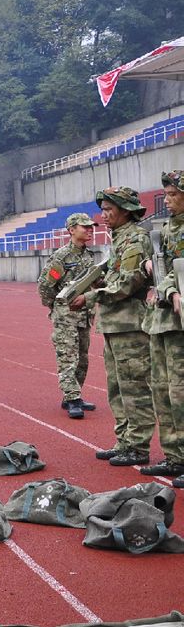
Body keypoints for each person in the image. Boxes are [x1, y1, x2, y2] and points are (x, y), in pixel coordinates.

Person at [70, 187, 154, 466]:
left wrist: (91, 296)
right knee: (117, 388)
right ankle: (125, 441)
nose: (103, 215)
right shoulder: (118, 239)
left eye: (109, 210)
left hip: (130, 325)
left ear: (126, 210)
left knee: (134, 388)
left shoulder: (135, 240)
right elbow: (114, 280)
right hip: (115, 324)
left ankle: (138, 447)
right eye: (103, 209)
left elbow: (129, 283)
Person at [141, 171, 184, 477]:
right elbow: (166, 269)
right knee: (162, 389)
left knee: (181, 392)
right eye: (166, 194)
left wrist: (166, 287)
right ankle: (174, 455)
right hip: (163, 320)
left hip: (179, 320)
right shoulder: (168, 229)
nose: (167, 200)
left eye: (173, 194)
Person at [37, 213, 98, 419]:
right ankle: (72, 398)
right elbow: (45, 285)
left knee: (83, 359)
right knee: (67, 357)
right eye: (85, 227)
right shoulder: (61, 257)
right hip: (66, 316)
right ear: (72, 230)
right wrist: (57, 307)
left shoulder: (89, 256)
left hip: (84, 315)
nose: (90, 230)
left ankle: (75, 395)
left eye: (91, 227)